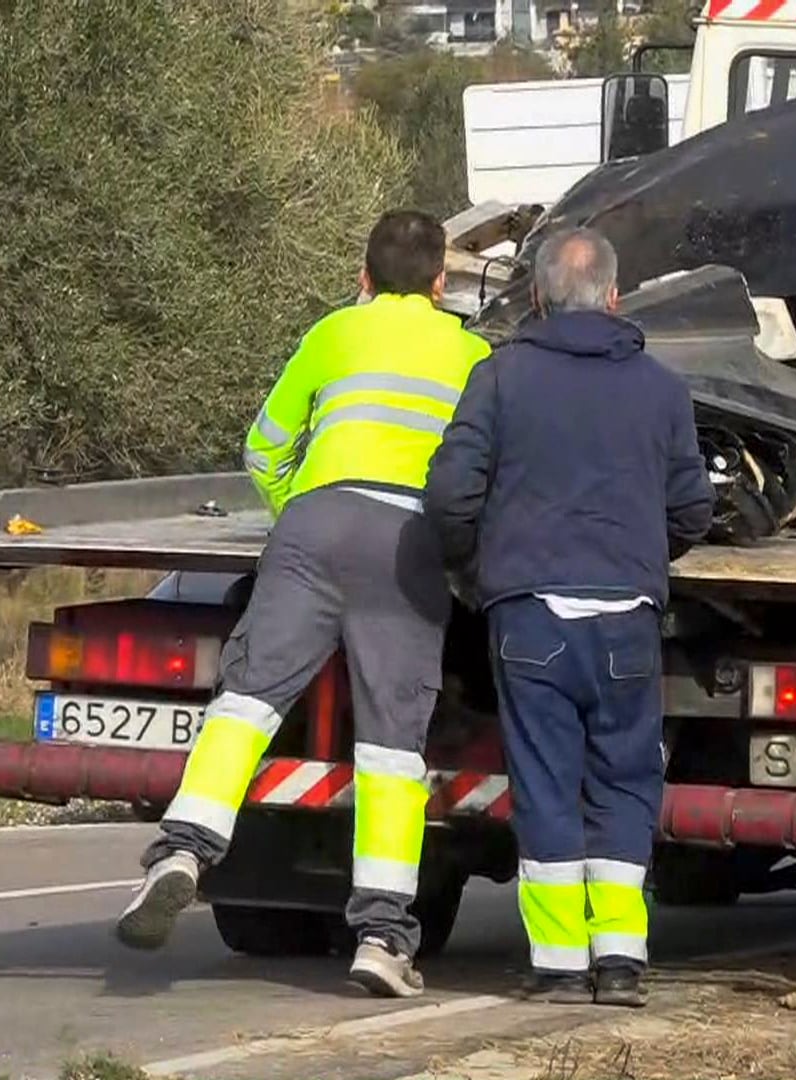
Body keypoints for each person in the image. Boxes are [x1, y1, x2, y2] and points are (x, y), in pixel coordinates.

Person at [115, 210, 492, 999]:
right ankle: (383, 937)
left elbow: (263, 446)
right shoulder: (472, 354)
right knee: (392, 747)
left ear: (363, 278)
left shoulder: (333, 334)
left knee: (247, 701)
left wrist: (299, 509)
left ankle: (184, 848)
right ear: (439, 284)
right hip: (408, 540)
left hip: (316, 522)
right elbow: (479, 477)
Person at [423, 227, 714, 1008]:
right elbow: (693, 506)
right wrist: (646, 556)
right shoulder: (661, 386)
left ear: (541, 298)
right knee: (624, 781)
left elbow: (449, 494)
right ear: (615, 297)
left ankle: (556, 964)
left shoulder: (500, 377)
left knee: (545, 783)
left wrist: (477, 572)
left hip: (530, 618)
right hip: (627, 616)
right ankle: (620, 961)